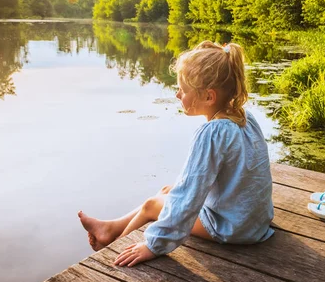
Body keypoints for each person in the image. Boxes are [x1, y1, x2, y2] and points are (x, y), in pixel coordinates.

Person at [78, 41, 274, 267]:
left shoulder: (212, 133)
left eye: (183, 89)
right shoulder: (246, 118)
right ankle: (110, 228)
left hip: (232, 228)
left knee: (151, 205)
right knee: (166, 190)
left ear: (209, 97)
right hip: (253, 222)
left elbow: (188, 197)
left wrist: (153, 245)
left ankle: (112, 250)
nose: (177, 94)